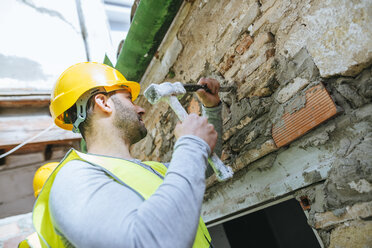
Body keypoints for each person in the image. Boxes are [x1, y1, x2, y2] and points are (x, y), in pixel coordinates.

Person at [32, 62, 223, 248]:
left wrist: (211, 109)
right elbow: (151, 242)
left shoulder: (149, 169)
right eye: (128, 99)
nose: (141, 109)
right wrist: (191, 144)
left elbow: (202, 166)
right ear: (103, 102)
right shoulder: (74, 178)